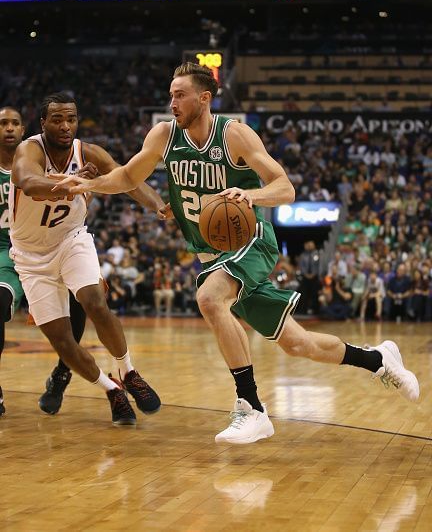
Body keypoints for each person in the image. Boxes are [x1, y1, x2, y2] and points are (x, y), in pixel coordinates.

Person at [54, 63, 420, 444]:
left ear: (204, 97)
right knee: (298, 344)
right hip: (212, 256)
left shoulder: (234, 135)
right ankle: (378, 360)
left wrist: (251, 196)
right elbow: (129, 176)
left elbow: (285, 188)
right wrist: (86, 185)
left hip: (251, 241)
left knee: (210, 299)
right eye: (170, 94)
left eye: (180, 94)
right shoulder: (164, 135)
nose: (172, 102)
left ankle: (251, 407)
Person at [9, 92, 166, 426]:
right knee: (63, 342)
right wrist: (72, 184)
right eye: (57, 119)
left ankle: (129, 372)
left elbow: (129, 180)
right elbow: (27, 180)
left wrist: (160, 207)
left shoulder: (90, 152)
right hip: (30, 255)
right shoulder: (30, 149)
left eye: (71, 119)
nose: (66, 126)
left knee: (95, 301)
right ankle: (111, 389)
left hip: (71, 239)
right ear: (43, 123)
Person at [0, 106, 88, 416]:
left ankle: (63, 370)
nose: (9, 129)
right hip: (13, 250)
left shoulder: (48, 156)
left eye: (14, 123)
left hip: (57, 241)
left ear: (25, 130)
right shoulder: (28, 166)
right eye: (2, 123)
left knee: (85, 298)